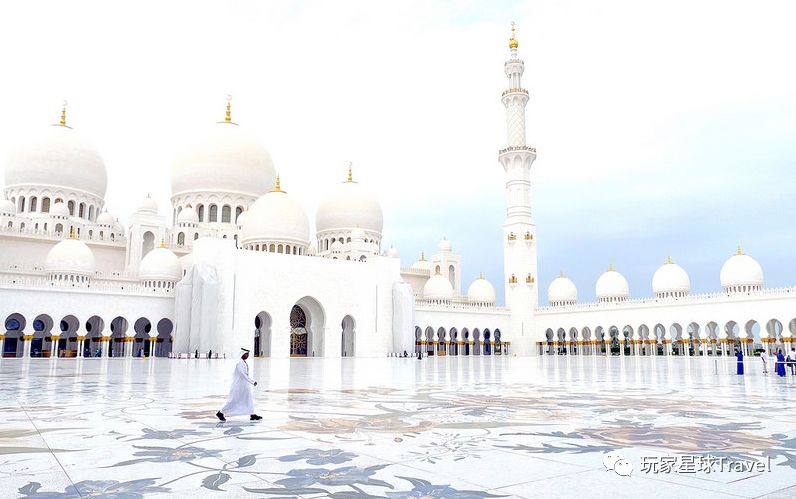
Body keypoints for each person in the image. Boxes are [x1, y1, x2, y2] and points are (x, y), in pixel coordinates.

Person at [217, 348, 262, 422]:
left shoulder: (243, 362)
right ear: (242, 354)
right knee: (233, 401)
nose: (247, 356)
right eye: (246, 354)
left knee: (248, 399)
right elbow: (242, 374)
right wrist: (252, 382)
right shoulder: (240, 363)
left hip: (244, 386)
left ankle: (252, 414)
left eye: (248, 354)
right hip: (239, 386)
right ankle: (220, 412)